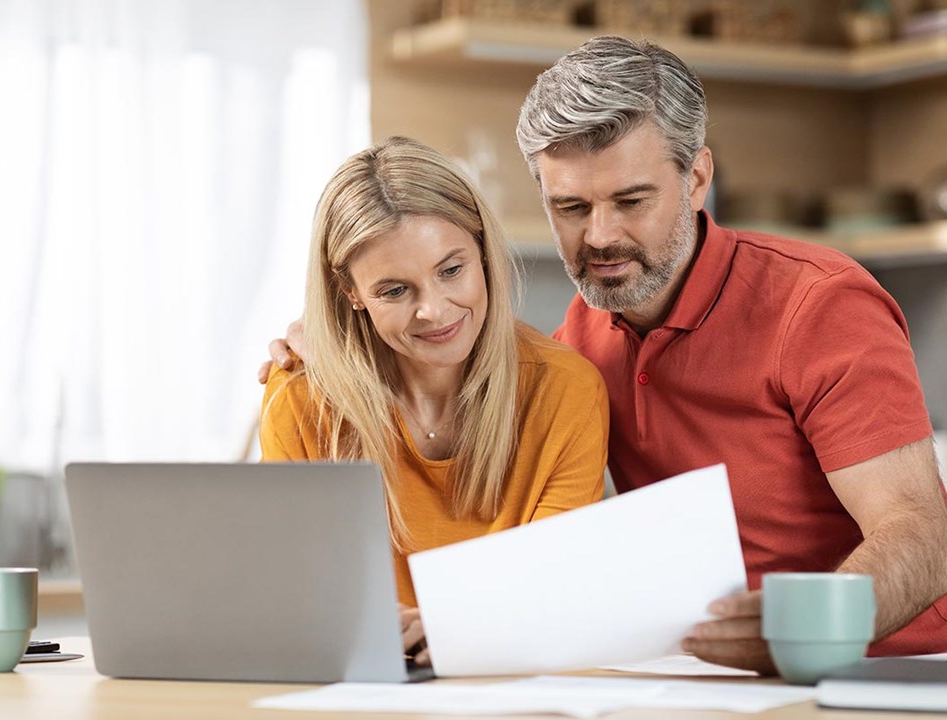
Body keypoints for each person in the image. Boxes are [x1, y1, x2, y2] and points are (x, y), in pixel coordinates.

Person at [263, 37, 947, 674]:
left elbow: (920, 532)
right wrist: (330, 336)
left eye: (631, 200)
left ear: (697, 177)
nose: (600, 237)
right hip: (699, 675)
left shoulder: (818, 307)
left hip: (884, 668)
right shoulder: (582, 339)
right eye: (571, 207)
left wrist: (802, 632)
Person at [259, 135, 609, 666]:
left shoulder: (565, 392)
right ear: (350, 292)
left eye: (451, 270)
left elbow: (553, 595)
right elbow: (290, 600)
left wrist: (451, 629)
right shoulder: (301, 401)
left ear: (482, 250)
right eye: (394, 291)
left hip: (510, 683)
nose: (435, 311)